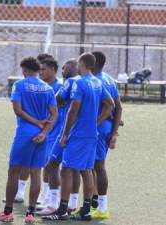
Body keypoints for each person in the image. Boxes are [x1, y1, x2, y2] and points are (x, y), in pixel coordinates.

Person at [43, 52, 114, 221]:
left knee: (66, 170)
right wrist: (95, 122)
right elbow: (110, 104)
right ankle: (86, 209)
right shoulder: (97, 82)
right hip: (91, 134)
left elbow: (73, 109)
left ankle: (61, 210)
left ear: (81, 64)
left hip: (76, 134)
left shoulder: (78, 83)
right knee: (86, 170)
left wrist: (66, 133)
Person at [0, 56, 58, 223]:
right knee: (36, 173)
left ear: (25, 70)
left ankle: (8, 212)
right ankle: (30, 214)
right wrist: (44, 131)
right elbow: (54, 114)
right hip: (42, 135)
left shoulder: (19, 85)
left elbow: (18, 110)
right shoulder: (47, 88)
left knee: (13, 171)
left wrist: (35, 122)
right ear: (38, 70)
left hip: (24, 133)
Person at [37, 59, 81, 216]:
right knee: (75, 169)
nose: (63, 69)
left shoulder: (69, 83)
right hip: (78, 133)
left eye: (66, 67)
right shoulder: (89, 83)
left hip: (65, 133)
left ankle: (53, 204)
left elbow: (55, 101)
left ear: (77, 67)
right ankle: (71, 204)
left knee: (52, 166)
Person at [91, 51, 123, 219]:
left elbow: (110, 107)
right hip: (106, 128)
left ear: (93, 64)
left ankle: (102, 207)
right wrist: (115, 130)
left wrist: (97, 124)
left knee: (98, 166)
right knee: (94, 166)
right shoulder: (109, 79)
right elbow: (119, 107)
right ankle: (95, 203)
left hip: (97, 128)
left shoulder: (96, 81)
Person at [37, 58, 63, 209]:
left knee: (52, 165)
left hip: (56, 131)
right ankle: (46, 195)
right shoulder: (44, 86)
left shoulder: (59, 86)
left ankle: (54, 198)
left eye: (44, 69)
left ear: (53, 70)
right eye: (40, 70)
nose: (41, 72)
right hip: (47, 131)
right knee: (46, 165)